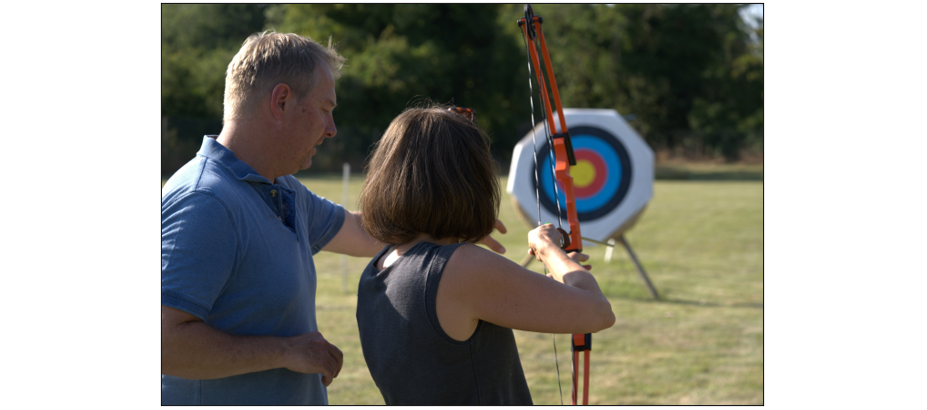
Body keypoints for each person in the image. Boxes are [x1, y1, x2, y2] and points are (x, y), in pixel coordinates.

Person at [161, 31, 508, 405]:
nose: (332, 129)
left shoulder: (282, 187)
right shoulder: (206, 199)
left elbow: (365, 232)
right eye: (326, 109)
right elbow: (162, 343)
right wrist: (285, 351)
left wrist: (446, 219)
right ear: (281, 101)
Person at [355, 106, 616, 405]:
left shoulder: (376, 271)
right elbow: (597, 312)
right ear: (469, 182)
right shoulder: (460, 268)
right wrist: (548, 248)